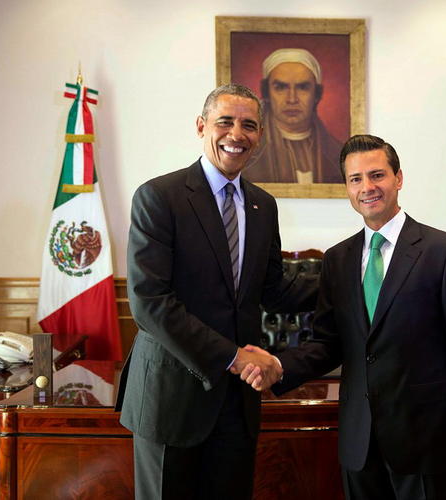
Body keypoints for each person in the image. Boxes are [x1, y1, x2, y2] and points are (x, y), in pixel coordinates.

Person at [238, 134, 446, 499]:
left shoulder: (443, 252)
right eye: (355, 179)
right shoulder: (338, 259)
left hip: (426, 444)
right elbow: (328, 344)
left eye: (377, 175)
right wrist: (279, 367)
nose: (367, 187)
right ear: (347, 187)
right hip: (360, 445)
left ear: (398, 178)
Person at [115, 83, 317, 500]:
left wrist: (353, 277)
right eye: (225, 122)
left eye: (249, 125)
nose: (236, 134)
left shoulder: (263, 205)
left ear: (260, 135)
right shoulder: (159, 197)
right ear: (201, 126)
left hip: (237, 404)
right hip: (171, 399)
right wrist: (233, 356)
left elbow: (274, 290)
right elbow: (150, 303)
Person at [243, 48, 343, 184]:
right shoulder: (247, 153)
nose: (291, 99)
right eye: (280, 88)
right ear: (266, 92)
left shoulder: (338, 154)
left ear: (316, 94)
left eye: (303, 88)